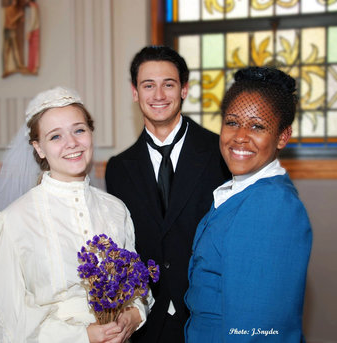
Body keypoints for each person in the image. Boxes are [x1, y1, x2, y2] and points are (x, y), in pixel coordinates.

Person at [0, 87, 153, 343]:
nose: (72, 143)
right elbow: (10, 318)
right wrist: (82, 336)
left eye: (79, 130)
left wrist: (133, 315)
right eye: (55, 137)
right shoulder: (14, 221)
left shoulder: (115, 209)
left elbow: (137, 287)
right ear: (38, 148)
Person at [105, 46, 231, 343]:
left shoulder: (220, 153)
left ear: (184, 89)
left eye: (169, 84)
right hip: (147, 323)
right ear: (135, 92)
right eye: (148, 85)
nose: (158, 95)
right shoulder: (119, 168)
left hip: (209, 317)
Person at [185, 67, 313, 342]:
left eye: (257, 126)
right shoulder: (240, 191)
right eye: (232, 122)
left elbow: (258, 331)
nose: (240, 136)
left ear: (282, 136)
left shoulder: (271, 206)